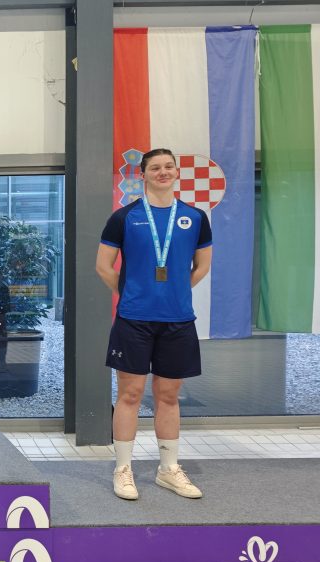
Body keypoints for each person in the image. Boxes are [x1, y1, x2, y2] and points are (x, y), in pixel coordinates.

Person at [96, 148, 212, 501]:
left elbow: (202, 266)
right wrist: (133, 294)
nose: (163, 172)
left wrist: (173, 293)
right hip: (133, 321)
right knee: (129, 395)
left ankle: (168, 469)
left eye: (168, 167)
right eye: (155, 168)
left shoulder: (195, 217)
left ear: (176, 173)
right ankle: (123, 469)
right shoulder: (124, 217)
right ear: (143, 174)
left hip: (178, 321)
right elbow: (103, 266)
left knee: (168, 396)